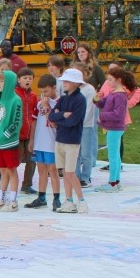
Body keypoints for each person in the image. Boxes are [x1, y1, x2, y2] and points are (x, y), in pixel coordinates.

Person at [48, 67, 87, 213]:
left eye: (68, 81)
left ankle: (81, 200)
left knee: (70, 172)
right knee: (64, 171)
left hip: (72, 140)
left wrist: (59, 118)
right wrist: (63, 115)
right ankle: (69, 201)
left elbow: (74, 121)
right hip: (60, 139)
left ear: (76, 83)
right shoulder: (63, 99)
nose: (64, 83)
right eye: (64, 80)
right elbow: (52, 116)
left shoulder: (80, 100)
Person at [0, 70, 23, 211]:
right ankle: (1, 199)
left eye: (2, 81)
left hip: (9, 142)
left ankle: (13, 201)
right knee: (2, 170)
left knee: (11, 170)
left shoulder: (16, 100)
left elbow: (17, 122)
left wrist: (6, 135)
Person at [25, 74, 61, 211]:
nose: (43, 94)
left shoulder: (58, 103)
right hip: (39, 142)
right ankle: (41, 197)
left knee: (52, 170)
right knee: (41, 170)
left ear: (54, 88)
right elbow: (34, 122)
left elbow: (53, 123)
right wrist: (32, 139)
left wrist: (46, 107)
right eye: (41, 92)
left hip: (51, 142)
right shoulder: (40, 103)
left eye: (46, 91)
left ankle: (57, 198)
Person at [94, 67, 128, 192]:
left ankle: (112, 183)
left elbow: (118, 114)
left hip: (115, 128)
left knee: (112, 155)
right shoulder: (114, 93)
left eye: (110, 79)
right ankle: (117, 181)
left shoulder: (119, 95)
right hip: (114, 128)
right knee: (116, 155)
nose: (108, 82)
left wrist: (102, 116)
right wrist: (97, 100)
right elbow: (105, 104)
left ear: (118, 80)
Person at [73, 62, 97, 187]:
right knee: (75, 152)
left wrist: (78, 121)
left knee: (86, 153)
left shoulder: (89, 89)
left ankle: (86, 177)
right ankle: (76, 175)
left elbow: (89, 109)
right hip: (74, 126)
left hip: (86, 125)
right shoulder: (72, 89)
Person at [15, 67, 38, 195]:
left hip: (30, 133)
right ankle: (5, 177)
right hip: (17, 133)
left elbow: (36, 113)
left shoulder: (34, 96)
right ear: (19, 80)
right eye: (25, 78)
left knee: (31, 160)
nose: (27, 80)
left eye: (30, 78)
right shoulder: (15, 94)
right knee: (15, 159)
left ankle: (27, 185)